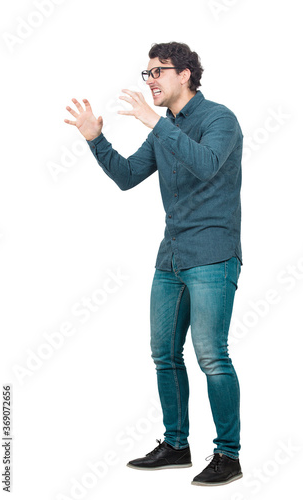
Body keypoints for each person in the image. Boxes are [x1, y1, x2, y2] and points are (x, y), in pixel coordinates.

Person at [64, 41, 244, 487]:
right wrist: (95, 139)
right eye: (147, 73)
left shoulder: (219, 119)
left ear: (185, 74)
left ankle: (229, 455)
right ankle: (176, 445)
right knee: (164, 353)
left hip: (214, 256)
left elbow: (205, 165)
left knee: (212, 356)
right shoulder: (165, 126)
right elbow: (127, 177)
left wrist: (152, 122)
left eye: (158, 71)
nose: (150, 81)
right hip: (171, 256)